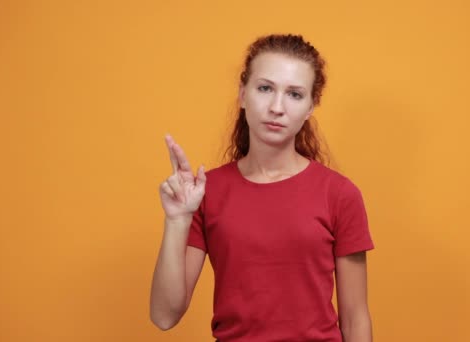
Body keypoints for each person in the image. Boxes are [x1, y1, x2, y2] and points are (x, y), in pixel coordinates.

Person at [150, 33, 375, 342]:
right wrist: (177, 220)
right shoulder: (205, 192)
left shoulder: (339, 194)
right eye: (265, 88)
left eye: (295, 94)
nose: (277, 107)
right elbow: (164, 315)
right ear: (243, 94)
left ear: (311, 107)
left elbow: (355, 318)